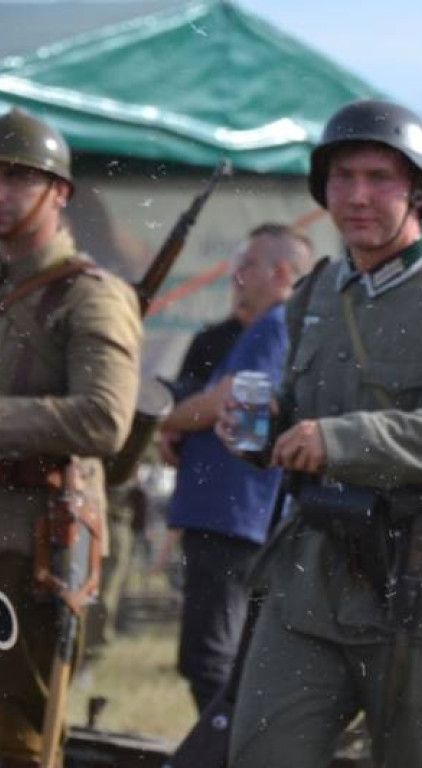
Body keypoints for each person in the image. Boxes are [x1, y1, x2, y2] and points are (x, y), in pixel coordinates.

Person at [219, 100, 422, 768]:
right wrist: (264, 425)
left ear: (418, 189)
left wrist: (344, 440)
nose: (357, 196)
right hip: (313, 579)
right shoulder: (319, 293)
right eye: (342, 177)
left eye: (379, 178)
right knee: (263, 754)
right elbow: (305, 407)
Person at [0, 108, 141, 767]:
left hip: (23, 548)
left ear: (58, 191)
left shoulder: (90, 296)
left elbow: (105, 420)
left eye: (15, 180)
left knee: (21, 743)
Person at [163, 223, 313, 712]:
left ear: (281, 272)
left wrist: (168, 419)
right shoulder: (267, 328)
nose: (236, 277)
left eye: (247, 266)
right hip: (230, 514)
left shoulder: (275, 326)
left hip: (231, 515)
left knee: (209, 660)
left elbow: (234, 401)